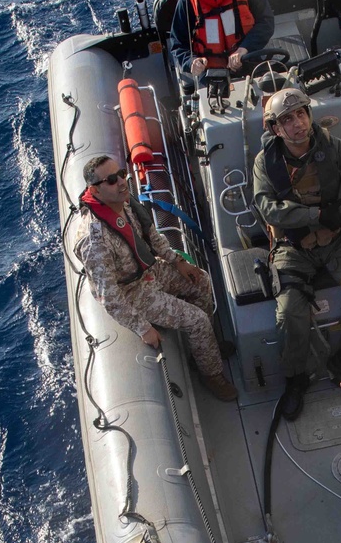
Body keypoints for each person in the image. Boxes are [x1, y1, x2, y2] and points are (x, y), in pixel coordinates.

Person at [75, 154, 237, 401]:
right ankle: (212, 374)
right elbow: (109, 297)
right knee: (197, 320)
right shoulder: (94, 240)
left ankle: (205, 348)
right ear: (94, 191)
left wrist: (177, 261)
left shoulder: (123, 202)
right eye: (110, 180)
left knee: (200, 279)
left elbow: (151, 235)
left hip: (148, 271)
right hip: (132, 291)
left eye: (121, 174)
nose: (120, 182)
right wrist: (143, 328)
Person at [252, 85, 341, 419]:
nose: (297, 124)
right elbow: (268, 209)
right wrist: (315, 217)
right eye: (286, 119)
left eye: (301, 114)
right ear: (275, 128)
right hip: (293, 245)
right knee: (289, 312)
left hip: (337, 238)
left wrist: (329, 227)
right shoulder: (266, 163)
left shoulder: (336, 149)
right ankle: (296, 377)